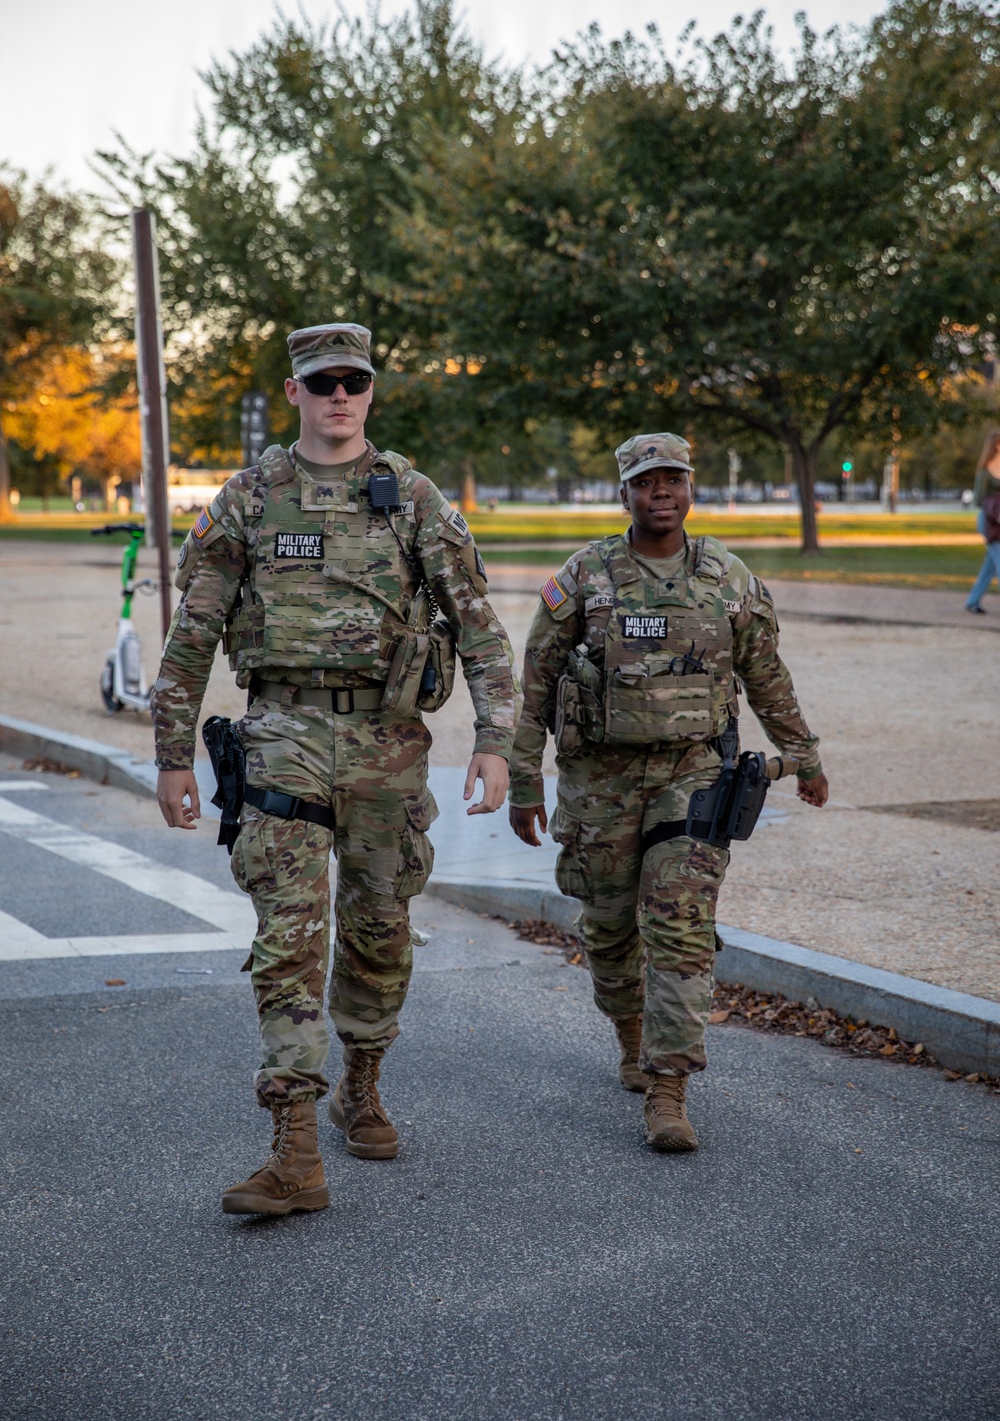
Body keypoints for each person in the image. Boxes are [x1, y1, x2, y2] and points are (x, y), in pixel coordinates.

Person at [153, 322, 520, 1215]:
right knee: (289, 930)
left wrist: (496, 738)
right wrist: (172, 755)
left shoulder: (411, 497)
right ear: (296, 394)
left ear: (370, 391)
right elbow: (193, 630)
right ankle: (293, 1146)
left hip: (389, 743)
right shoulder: (249, 497)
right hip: (282, 730)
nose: (340, 396)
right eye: (323, 383)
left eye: (354, 381)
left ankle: (363, 1078)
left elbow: (477, 623)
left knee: (379, 928)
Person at [508, 433, 828, 1153]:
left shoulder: (725, 576)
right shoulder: (586, 577)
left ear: (690, 487)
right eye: (647, 482)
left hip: (693, 775)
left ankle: (669, 1086)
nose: (662, 493)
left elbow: (766, 674)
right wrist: (523, 776)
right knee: (610, 933)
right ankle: (630, 1035)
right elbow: (535, 685)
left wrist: (803, 755)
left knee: (680, 926)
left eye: (674, 480)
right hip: (600, 782)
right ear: (624, 492)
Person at [964, 428, 1000, 614]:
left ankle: (972, 601)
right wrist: (995, 510)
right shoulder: (985, 471)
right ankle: (972, 601)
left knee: (990, 566)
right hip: (989, 522)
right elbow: (978, 499)